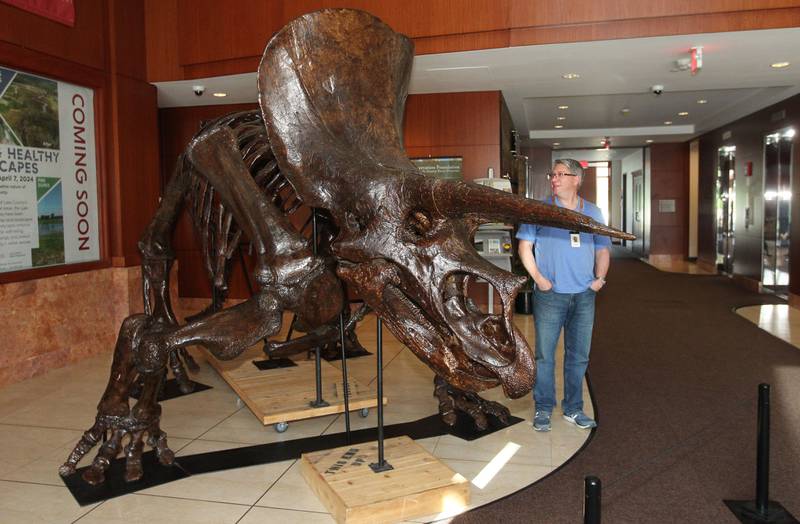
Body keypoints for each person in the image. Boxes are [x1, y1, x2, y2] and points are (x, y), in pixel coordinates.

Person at [517, 159, 611, 431]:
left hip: (584, 295)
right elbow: (525, 248)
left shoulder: (593, 212)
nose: (554, 178)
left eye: (561, 174)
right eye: (553, 174)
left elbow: (603, 249)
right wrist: (540, 280)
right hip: (550, 295)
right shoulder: (540, 210)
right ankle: (544, 407)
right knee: (545, 356)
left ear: (576, 179)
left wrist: (599, 279)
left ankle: (573, 408)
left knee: (578, 355)